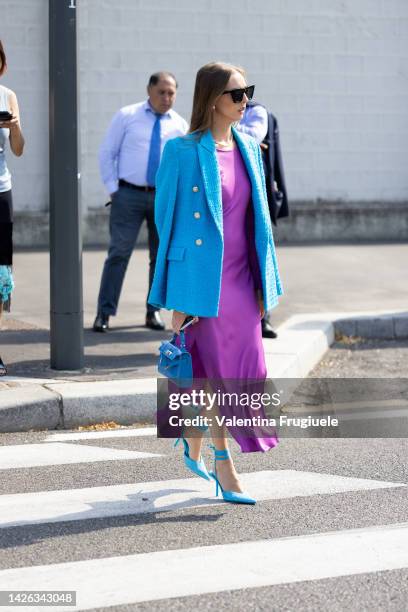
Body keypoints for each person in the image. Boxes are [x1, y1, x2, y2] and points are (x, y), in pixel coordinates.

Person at [148, 62, 283, 505]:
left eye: (248, 91)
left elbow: (258, 221)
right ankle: (225, 466)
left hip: (243, 279)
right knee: (212, 373)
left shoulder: (248, 146)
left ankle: (192, 433)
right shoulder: (181, 151)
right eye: (236, 94)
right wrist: (174, 294)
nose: (245, 101)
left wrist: (266, 284)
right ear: (211, 100)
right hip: (203, 281)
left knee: (244, 370)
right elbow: (166, 227)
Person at [93, 71, 188, 333]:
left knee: (159, 257)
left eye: (171, 93)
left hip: (163, 198)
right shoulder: (127, 116)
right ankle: (104, 312)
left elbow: (184, 166)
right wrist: (114, 190)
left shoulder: (180, 126)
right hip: (128, 195)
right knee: (119, 253)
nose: (166, 98)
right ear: (149, 90)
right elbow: (107, 152)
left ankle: (153, 311)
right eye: (162, 92)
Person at [237, 100, 289, 339]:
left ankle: (264, 318)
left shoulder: (257, 112)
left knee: (260, 255)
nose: (241, 99)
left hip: (257, 196)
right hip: (231, 197)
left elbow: (252, 135)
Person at [0, 40, 25, 375]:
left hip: (1, 191)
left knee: (0, 275)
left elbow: (18, 149)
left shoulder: (7, 95)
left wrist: (14, 125)